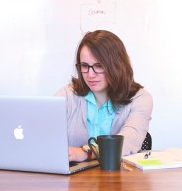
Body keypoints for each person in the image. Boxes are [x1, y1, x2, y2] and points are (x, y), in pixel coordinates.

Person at [55, 30, 153, 162]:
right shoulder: (67, 95)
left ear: (117, 66)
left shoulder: (141, 99)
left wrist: (87, 153)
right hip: (73, 180)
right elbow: (42, 131)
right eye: (85, 66)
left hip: (121, 179)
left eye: (99, 66)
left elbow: (129, 141)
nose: (90, 75)